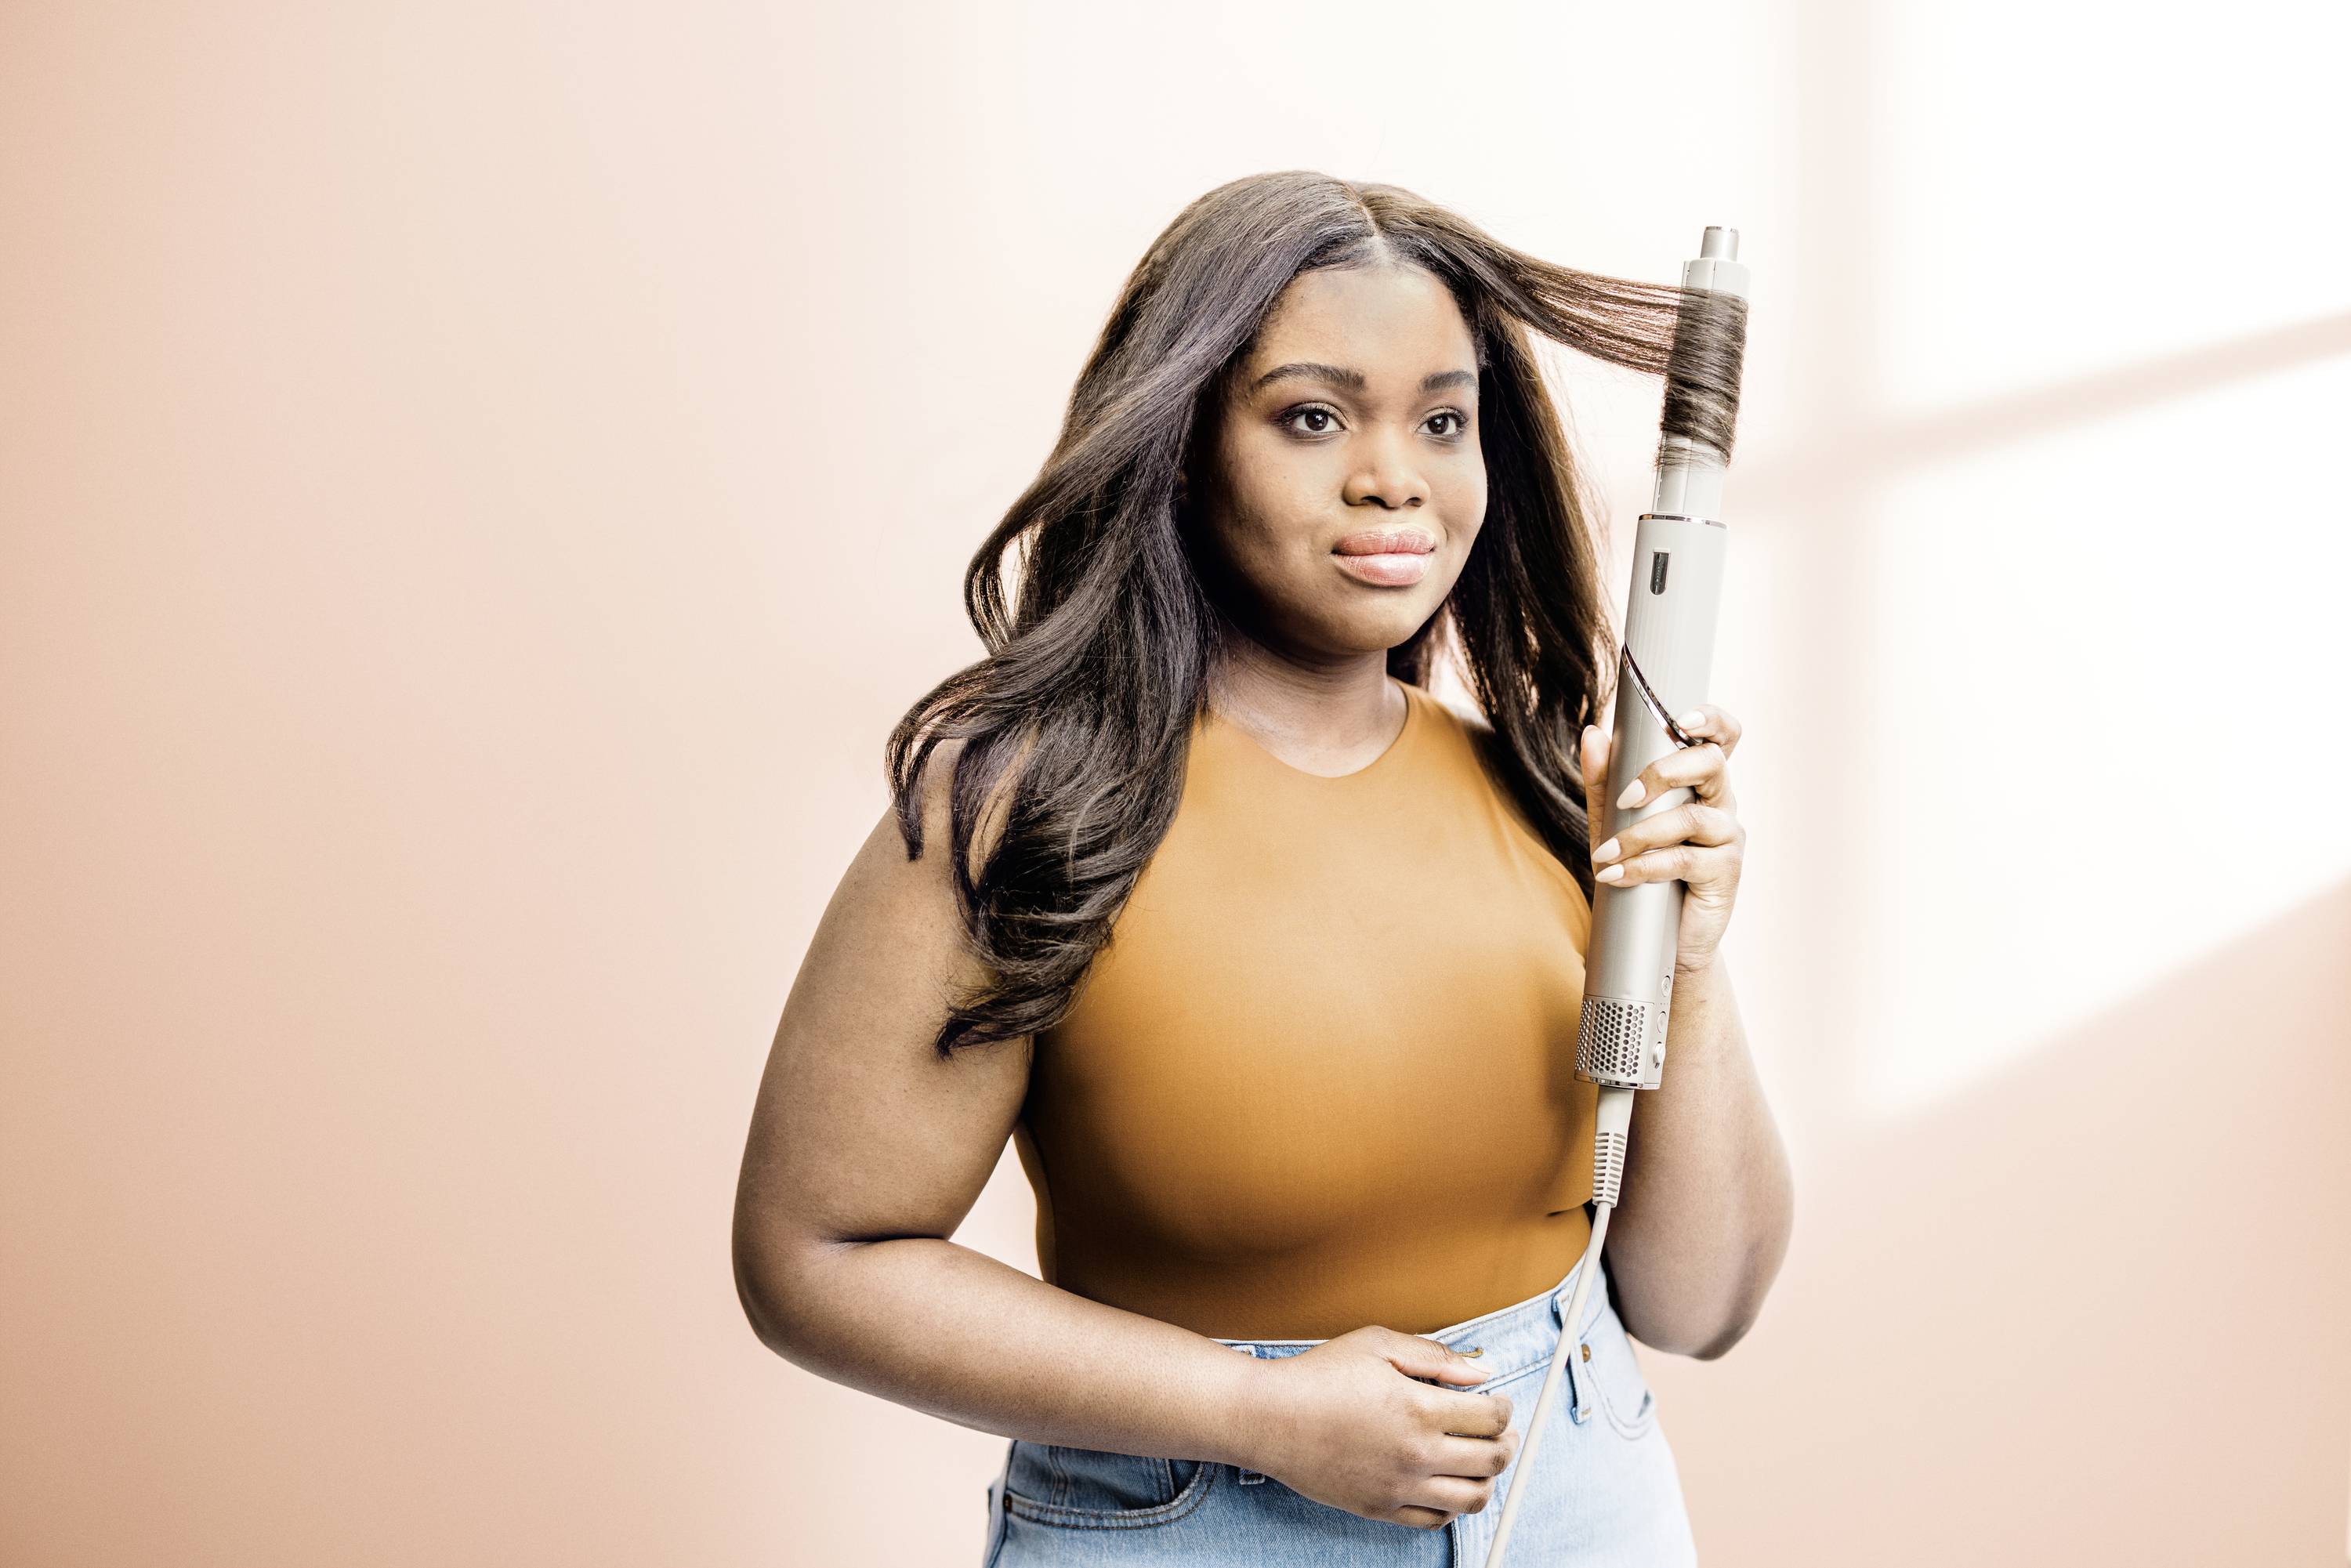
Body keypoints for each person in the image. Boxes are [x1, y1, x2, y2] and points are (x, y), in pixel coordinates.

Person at [732, 171, 1794, 1566]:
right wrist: (1255, 1410)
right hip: (1201, 1520)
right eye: (1312, 415)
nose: (1392, 474)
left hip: (1578, 1493)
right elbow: (816, 1259)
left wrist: (1687, 958)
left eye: (1442, 419)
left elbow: (1697, 1304)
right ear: (1181, 445)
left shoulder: (1545, 794)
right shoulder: (1030, 811)